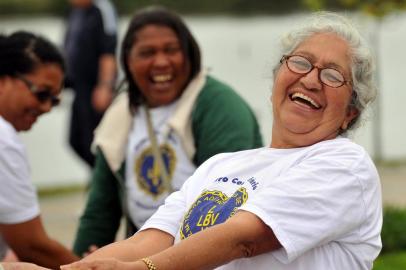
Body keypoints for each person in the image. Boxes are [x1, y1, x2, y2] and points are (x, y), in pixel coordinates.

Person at [62, 11, 382, 270]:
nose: (310, 79)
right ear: (276, 80)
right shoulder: (220, 165)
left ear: (349, 114)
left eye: (332, 75)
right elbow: (148, 242)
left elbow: (244, 239)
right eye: (300, 62)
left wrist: (144, 269)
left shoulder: (345, 164)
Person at [72, 6, 263, 257]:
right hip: (141, 253)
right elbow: (99, 212)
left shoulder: (219, 106)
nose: (161, 62)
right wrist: (82, 260)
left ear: (190, 54)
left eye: (171, 50)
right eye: (147, 53)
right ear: (128, 61)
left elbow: (224, 206)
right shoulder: (120, 113)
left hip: (209, 254)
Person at [0, 31, 79, 269]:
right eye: (42, 94)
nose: (46, 107)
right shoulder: (4, 140)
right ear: (3, 80)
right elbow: (32, 246)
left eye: (54, 100)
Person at [64, 0, 118, 167]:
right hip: (78, 88)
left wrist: (105, 86)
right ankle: (98, 179)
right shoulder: (76, 12)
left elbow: (109, 51)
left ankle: (106, 184)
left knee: (94, 144)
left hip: (95, 89)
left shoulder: (102, 9)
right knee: (75, 141)